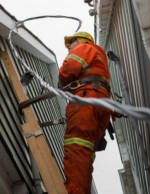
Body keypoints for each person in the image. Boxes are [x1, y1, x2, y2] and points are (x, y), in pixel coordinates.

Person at [58, 31, 111, 194]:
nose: (69, 49)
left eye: (70, 44)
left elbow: (68, 70)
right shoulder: (99, 60)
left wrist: (61, 80)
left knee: (77, 147)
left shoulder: (85, 48)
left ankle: (74, 191)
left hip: (85, 98)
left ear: (80, 40)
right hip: (101, 103)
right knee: (86, 153)